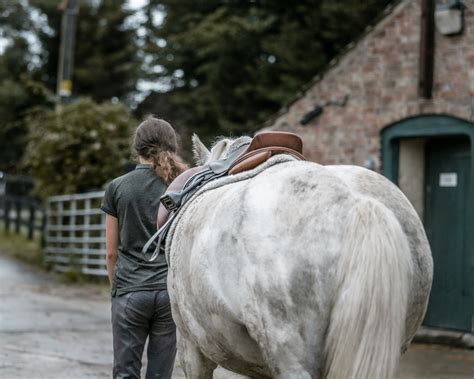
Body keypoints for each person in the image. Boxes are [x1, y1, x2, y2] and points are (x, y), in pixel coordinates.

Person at [101, 117, 187, 379]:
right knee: (161, 374)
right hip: (167, 293)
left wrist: (117, 287)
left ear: (137, 147)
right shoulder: (181, 187)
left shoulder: (118, 187)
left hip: (129, 290)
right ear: (171, 146)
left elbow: (111, 252)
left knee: (126, 371)